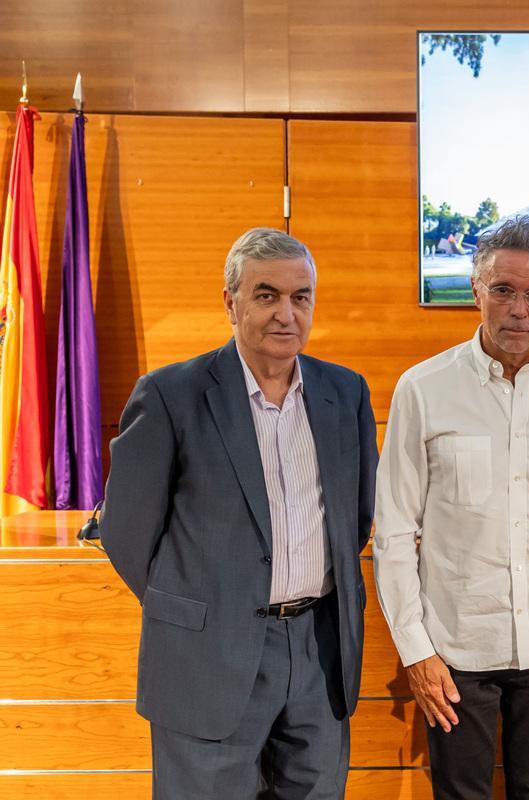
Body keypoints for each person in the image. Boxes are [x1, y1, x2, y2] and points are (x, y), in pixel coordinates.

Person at [100, 228, 378, 798]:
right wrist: (198, 610)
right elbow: (126, 533)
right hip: (206, 657)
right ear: (231, 302)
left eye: (301, 297)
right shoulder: (171, 395)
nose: (286, 314)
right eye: (267, 295)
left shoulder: (345, 392)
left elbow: (357, 517)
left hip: (318, 653)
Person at [373, 216, 529, 799]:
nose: (519, 309)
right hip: (454, 652)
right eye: (503, 290)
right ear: (476, 291)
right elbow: (395, 532)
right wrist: (416, 651)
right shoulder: (423, 390)